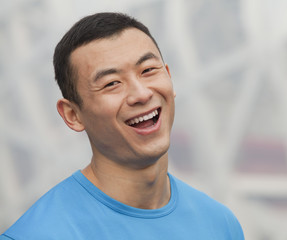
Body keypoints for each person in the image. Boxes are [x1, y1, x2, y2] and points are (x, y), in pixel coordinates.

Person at [0, 12, 244, 240]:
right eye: (111, 83)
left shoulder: (219, 223)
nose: (141, 94)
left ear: (169, 76)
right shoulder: (36, 234)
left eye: (148, 70)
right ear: (73, 115)